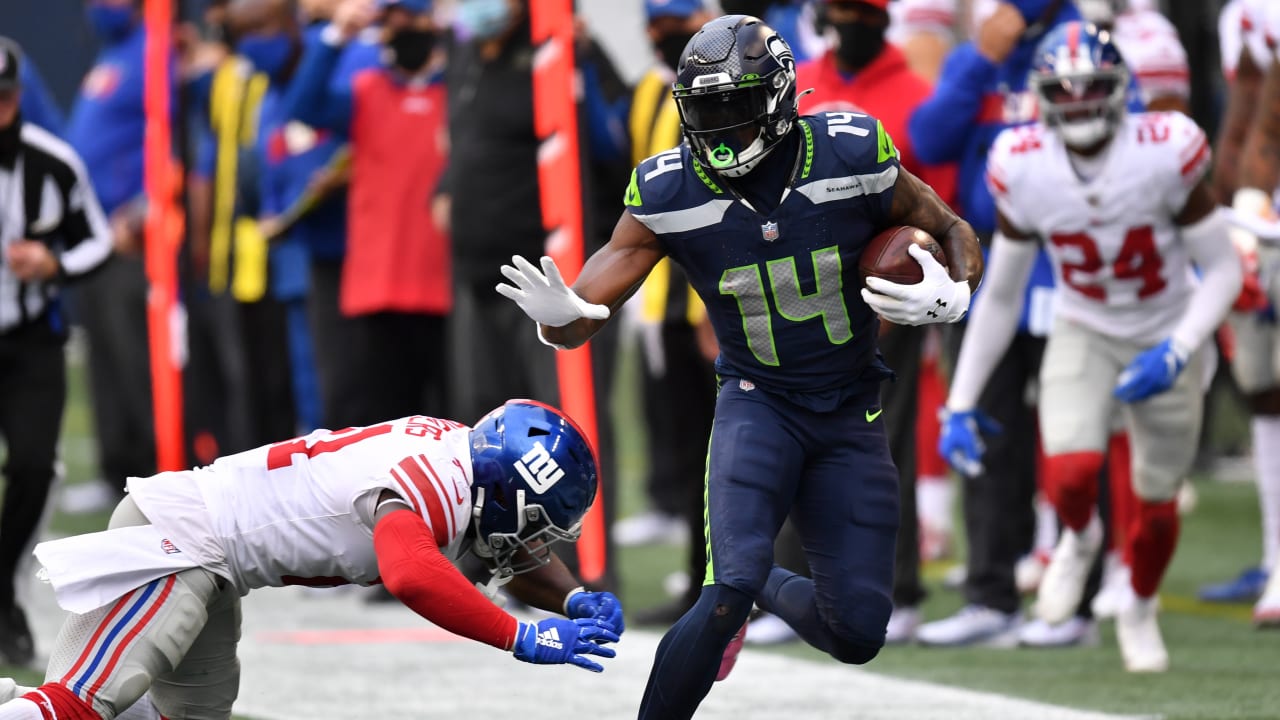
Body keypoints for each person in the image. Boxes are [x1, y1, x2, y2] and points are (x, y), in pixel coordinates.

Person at [496, 16, 982, 718]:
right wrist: (557, 313)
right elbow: (580, 318)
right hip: (758, 403)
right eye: (704, 110)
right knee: (723, 593)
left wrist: (955, 292)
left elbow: (953, 228)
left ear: (780, 97)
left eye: (734, 106)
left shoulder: (850, 153)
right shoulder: (670, 189)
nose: (719, 127)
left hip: (851, 411)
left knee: (857, 634)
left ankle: (761, 584)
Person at [0, 400, 623, 720]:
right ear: (509, 490)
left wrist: (571, 599)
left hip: (214, 565)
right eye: (536, 525)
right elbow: (411, 573)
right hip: (177, 542)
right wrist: (517, 633)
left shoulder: (462, 459)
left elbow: (502, 552)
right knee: (80, 706)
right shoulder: (439, 478)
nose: (535, 546)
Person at [947, 22, 1240, 671]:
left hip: (1167, 326)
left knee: (1158, 506)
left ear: (1121, 91)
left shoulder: (1165, 150)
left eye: (1092, 91)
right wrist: (960, 401)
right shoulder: (1022, 163)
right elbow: (1001, 293)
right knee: (1074, 471)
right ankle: (1079, 539)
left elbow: (1223, 270)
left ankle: (1137, 600)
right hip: (1083, 326)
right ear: (1042, 96)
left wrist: (1181, 348)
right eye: (1065, 92)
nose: (1078, 104)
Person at [910, 0, 1105, 650]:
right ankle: (992, 594)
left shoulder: (1086, 43)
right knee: (988, 433)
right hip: (992, 262)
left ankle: (1078, 599)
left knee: (1076, 434)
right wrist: (983, 57)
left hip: (1072, 260)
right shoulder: (986, 51)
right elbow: (929, 136)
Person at [776, 0, 958, 645]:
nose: (847, 19)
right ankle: (796, 584)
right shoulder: (800, 81)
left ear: (883, 18)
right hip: (800, 292)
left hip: (890, 296)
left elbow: (936, 213)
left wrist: (925, 288)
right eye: (837, 9)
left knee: (884, 446)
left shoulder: (913, 92)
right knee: (789, 437)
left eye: (859, 9)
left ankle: (898, 590)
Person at [0, 37, 114, 667]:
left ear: (17, 99)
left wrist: (54, 262)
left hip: (30, 340)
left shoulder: (53, 163)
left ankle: (4, 589)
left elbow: (96, 242)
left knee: (36, 467)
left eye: (4, 99)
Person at [64, 0, 157, 513]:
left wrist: (143, 208)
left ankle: (149, 472)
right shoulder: (113, 54)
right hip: (94, 233)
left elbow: (167, 137)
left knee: (134, 354)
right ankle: (114, 470)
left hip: (130, 235)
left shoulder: (153, 52)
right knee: (102, 355)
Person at [1216, 0, 1280, 626]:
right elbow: (1251, 126)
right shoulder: (1248, 15)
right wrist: (1242, 209)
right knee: (1265, 389)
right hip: (1268, 225)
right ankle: (1276, 558)